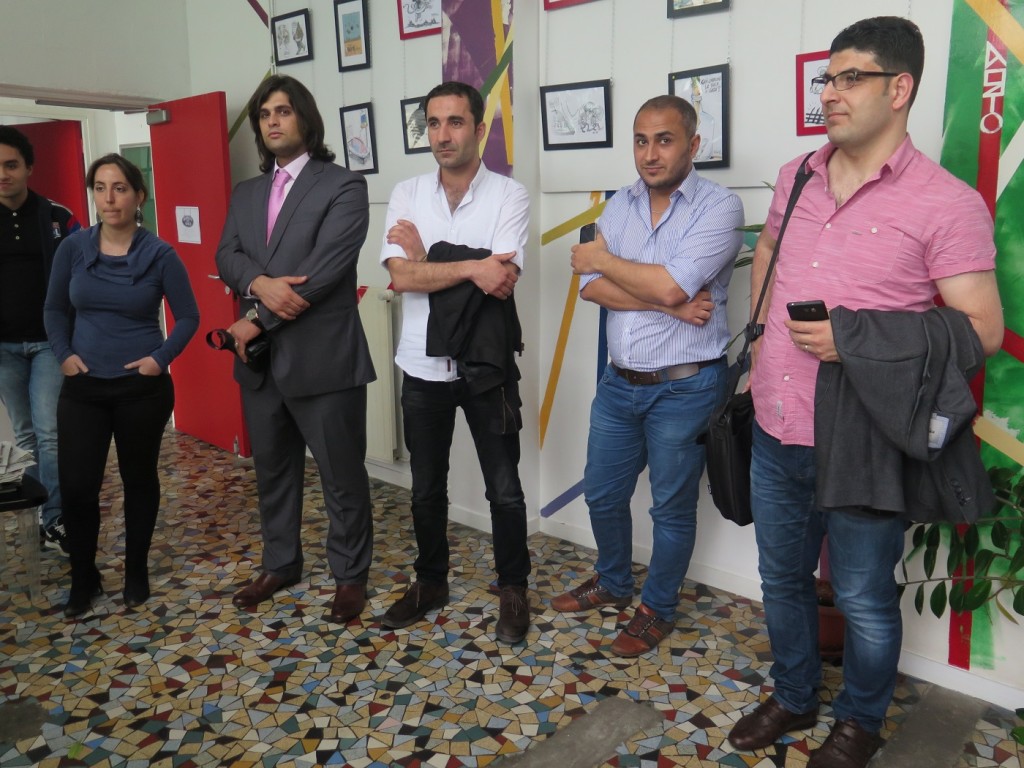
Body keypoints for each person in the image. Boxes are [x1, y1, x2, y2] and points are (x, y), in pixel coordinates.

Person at [727, 18, 1004, 768]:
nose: (831, 93)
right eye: (828, 78)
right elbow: (769, 254)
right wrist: (761, 349)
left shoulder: (947, 203)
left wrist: (855, 339)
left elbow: (981, 330)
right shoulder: (797, 174)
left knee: (862, 596)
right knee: (781, 578)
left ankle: (859, 721)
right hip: (777, 422)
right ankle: (793, 694)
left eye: (851, 78)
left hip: (867, 440)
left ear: (900, 87)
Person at [553, 95, 744, 657]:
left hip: (687, 387)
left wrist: (606, 262)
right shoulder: (620, 205)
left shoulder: (719, 207)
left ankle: (656, 608)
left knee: (671, 509)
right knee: (602, 493)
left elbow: (663, 282)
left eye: (664, 139)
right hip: (619, 384)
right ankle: (614, 581)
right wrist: (670, 305)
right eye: (641, 140)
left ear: (693, 144)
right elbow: (594, 291)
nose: (650, 153)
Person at [215, 75, 375, 624]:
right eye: (264, 114)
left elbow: (326, 270)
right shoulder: (246, 192)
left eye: (283, 111)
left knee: (341, 477)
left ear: (305, 118)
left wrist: (255, 320)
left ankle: (350, 576)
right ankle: (280, 564)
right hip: (261, 368)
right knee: (273, 474)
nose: (273, 121)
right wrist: (259, 285)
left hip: (324, 359)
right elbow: (226, 255)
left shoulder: (344, 185)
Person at [379, 81, 531, 644]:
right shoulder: (407, 193)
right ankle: (430, 582)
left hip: (486, 368)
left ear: (480, 129)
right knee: (425, 488)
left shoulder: (509, 195)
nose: (443, 135)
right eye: (434, 123)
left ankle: (513, 588)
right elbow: (401, 278)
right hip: (422, 368)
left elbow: (502, 279)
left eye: (456, 122)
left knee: (505, 489)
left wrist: (429, 257)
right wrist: (469, 266)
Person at [44, 153, 199, 617]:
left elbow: (189, 316)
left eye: (119, 188)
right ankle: (83, 577)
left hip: (141, 388)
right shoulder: (73, 249)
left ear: (138, 197)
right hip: (83, 387)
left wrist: (159, 359)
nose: (109, 199)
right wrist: (64, 355)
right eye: (100, 188)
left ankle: (136, 571)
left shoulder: (160, 254)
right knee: (77, 488)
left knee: (139, 480)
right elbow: (53, 309)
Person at [0, 125, 80, 554]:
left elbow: (85, 270)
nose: (3, 174)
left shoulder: (58, 217)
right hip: (3, 349)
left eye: (11, 165)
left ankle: (56, 518)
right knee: (26, 434)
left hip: (51, 342)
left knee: (50, 432)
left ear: (28, 167)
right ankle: (41, 514)